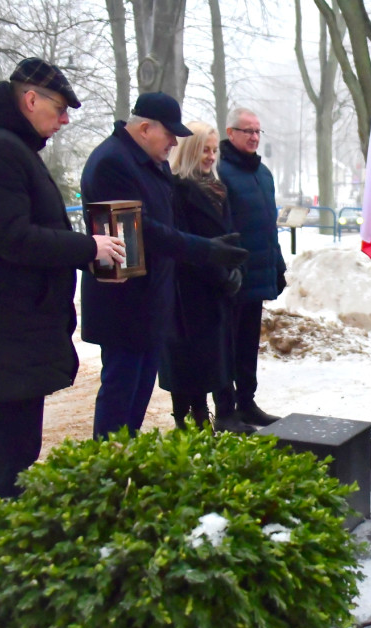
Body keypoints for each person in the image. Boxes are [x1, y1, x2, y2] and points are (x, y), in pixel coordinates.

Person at [0, 58, 127, 498]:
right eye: (60, 108)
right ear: (31, 99)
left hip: (15, 325)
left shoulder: (9, 146)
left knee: (19, 442)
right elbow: (13, 237)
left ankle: (7, 527)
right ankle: (4, 531)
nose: (65, 120)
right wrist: (87, 248)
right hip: (7, 326)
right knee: (14, 446)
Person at [81, 92, 248, 439]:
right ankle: (109, 464)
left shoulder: (148, 162)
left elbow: (163, 223)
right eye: (170, 134)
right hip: (124, 303)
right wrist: (205, 249)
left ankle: (124, 460)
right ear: (145, 128)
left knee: (137, 398)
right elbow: (141, 229)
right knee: (121, 396)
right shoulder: (112, 162)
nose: (174, 143)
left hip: (151, 300)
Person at [159, 121, 244, 430]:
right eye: (204, 150)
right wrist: (219, 273)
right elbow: (182, 242)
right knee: (187, 362)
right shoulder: (176, 189)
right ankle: (188, 420)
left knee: (212, 359)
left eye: (214, 150)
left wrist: (234, 270)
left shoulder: (218, 189)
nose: (210, 156)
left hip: (216, 287)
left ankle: (210, 417)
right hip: (188, 289)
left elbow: (230, 234)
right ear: (190, 151)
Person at [213, 106, 287, 432]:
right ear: (231, 133)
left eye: (258, 131)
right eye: (248, 131)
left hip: (258, 273)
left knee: (247, 346)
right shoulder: (220, 172)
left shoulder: (263, 174)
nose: (254, 137)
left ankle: (247, 402)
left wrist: (277, 265)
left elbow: (268, 226)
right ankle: (225, 409)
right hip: (232, 277)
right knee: (226, 346)